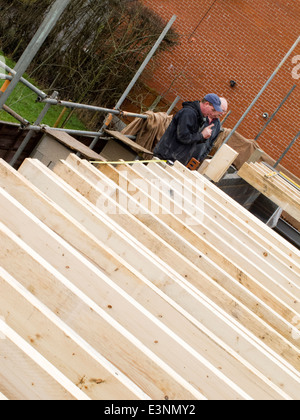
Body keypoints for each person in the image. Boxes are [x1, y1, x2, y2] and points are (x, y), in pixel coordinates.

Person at [153, 93, 224, 166]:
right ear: (206, 104)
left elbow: (191, 140)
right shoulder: (188, 113)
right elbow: (183, 137)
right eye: (212, 110)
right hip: (166, 157)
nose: (212, 113)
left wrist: (203, 137)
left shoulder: (198, 116)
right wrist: (201, 135)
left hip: (174, 160)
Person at [192, 97, 228, 163]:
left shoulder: (217, 125)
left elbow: (210, 144)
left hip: (195, 160)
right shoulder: (200, 116)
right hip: (184, 153)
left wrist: (200, 158)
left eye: (224, 112)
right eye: (222, 110)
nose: (222, 114)